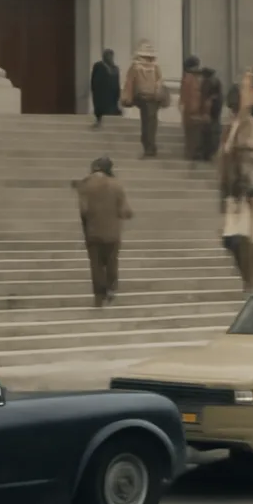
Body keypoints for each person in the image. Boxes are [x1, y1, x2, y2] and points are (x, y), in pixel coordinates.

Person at [218, 83, 253, 292]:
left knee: (246, 240)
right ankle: (247, 278)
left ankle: (250, 280)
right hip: (230, 190)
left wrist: (244, 183)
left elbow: (251, 154)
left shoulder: (249, 124)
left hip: (247, 191)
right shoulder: (230, 125)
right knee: (230, 240)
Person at [76, 157, 133, 307]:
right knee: (112, 262)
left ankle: (98, 296)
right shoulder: (117, 185)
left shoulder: (86, 185)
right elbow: (125, 211)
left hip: (93, 232)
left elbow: (84, 210)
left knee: (96, 265)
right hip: (113, 234)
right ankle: (111, 289)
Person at [121, 41, 167, 158]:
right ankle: (150, 146)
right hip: (152, 98)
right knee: (151, 123)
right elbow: (160, 81)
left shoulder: (135, 67)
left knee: (147, 123)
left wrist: (127, 97)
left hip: (143, 97)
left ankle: (149, 146)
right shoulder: (155, 67)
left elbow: (130, 83)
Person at [179, 55, 205, 163]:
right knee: (192, 134)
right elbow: (190, 96)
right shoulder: (190, 79)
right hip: (192, 111)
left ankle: (192, 153)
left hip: (191, 110)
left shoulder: (190, 78)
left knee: (192, 134)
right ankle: (191, 154)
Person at [89, 49, 120, 127]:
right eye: (108, 55)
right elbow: (94, 80)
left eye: (111, 55)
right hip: (101, 94)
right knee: (101, 109)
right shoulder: (98, 66)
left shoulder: (115, 68)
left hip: (112, 94)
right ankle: (98, 121)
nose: (110, 57)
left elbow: (116, 82)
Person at [200, 66, 224, 161]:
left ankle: (208, 154)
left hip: (210, 111)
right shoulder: (216, 82)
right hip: (215, 111)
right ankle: (211, 153)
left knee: (208, 133)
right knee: (213, 133)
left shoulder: (208, 83)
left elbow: (205, 97)